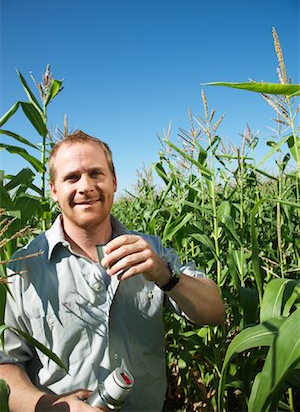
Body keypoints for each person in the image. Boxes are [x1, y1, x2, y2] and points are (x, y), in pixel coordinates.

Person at [0, 130, 224, 412]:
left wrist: (165, 275)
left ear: (114, 182)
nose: (85, 187)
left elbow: (214, 312)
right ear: (54, 190)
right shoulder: (23, 268)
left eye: (96, 174)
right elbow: (6, 364)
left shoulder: (151, 251)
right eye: (72, 177)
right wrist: (48, 406)